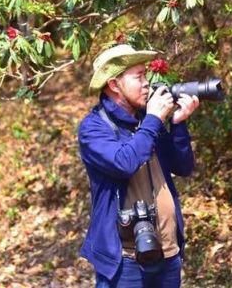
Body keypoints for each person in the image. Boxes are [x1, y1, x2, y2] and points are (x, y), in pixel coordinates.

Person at [77, 44, 200, 287]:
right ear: (114, 85)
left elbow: (183, 167)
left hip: (168, 252)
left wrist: (177, 125)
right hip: (125, 260)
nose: (147, 83)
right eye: (139, 76)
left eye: (146, 74)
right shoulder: (93, 128)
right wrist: (154, 120)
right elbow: (124, 163)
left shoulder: (145, 119)